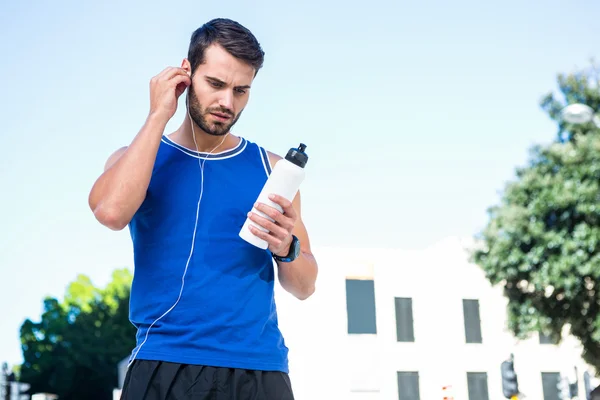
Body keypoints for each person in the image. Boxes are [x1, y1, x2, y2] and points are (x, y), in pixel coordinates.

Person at [88, 18, 318, 400]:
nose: (228, 103)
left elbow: (305, 286)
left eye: (241, 90)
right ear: (186, 74)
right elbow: (111, 212)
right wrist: (158, 114)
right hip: (164, 365)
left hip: (258, 370)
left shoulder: (274, 170)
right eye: (216, 84)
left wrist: (286, 247)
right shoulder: (138, 159)